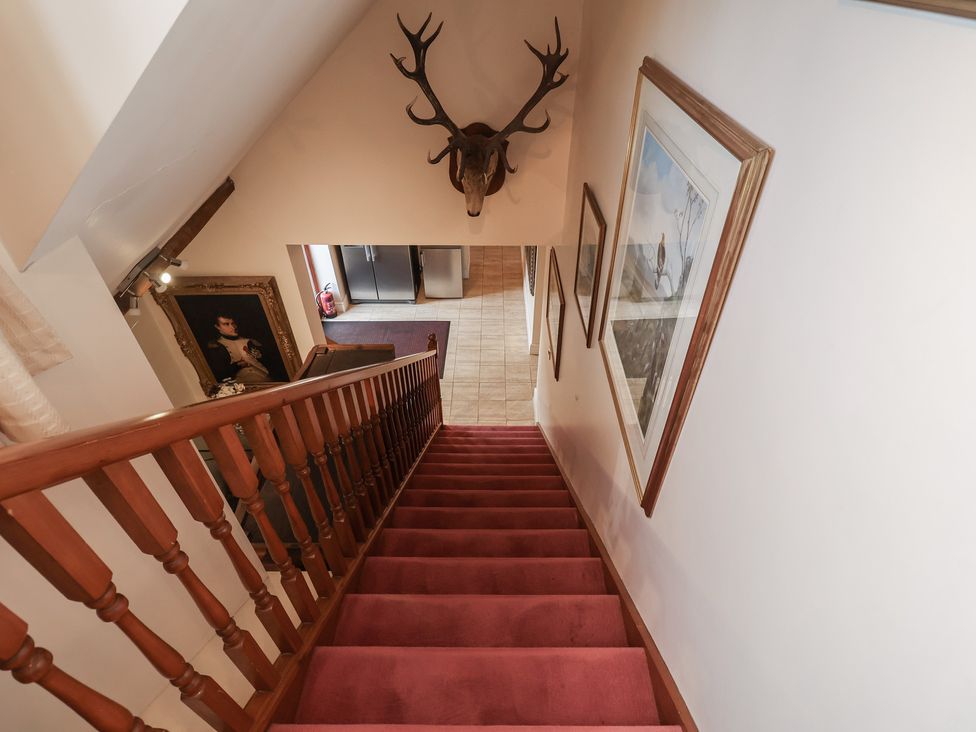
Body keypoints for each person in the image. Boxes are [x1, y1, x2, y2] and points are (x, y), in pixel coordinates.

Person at [205, 313, 271, 384]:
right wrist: (237, 366)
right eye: (226, 324)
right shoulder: (216, 346)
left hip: (266, 379)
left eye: (233, 323)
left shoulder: (250, 341)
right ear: (217, 327)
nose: (233, 327)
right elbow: (220, 374)